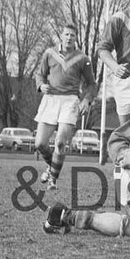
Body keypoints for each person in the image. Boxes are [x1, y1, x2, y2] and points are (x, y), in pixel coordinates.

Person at [33, 23, 97, 190]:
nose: (69, 38)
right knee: (40, 143)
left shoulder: (83, 58)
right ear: (61, 36)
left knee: (61, 142)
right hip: (50, 99)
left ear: (76, 39)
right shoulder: (49, 53)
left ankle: (53, 179)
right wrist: (41, 86)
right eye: (66, 34)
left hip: (70, 101)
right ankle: (51, 166)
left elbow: (91, 84)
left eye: (72, 36)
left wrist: (86, 100)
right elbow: (40, 74)